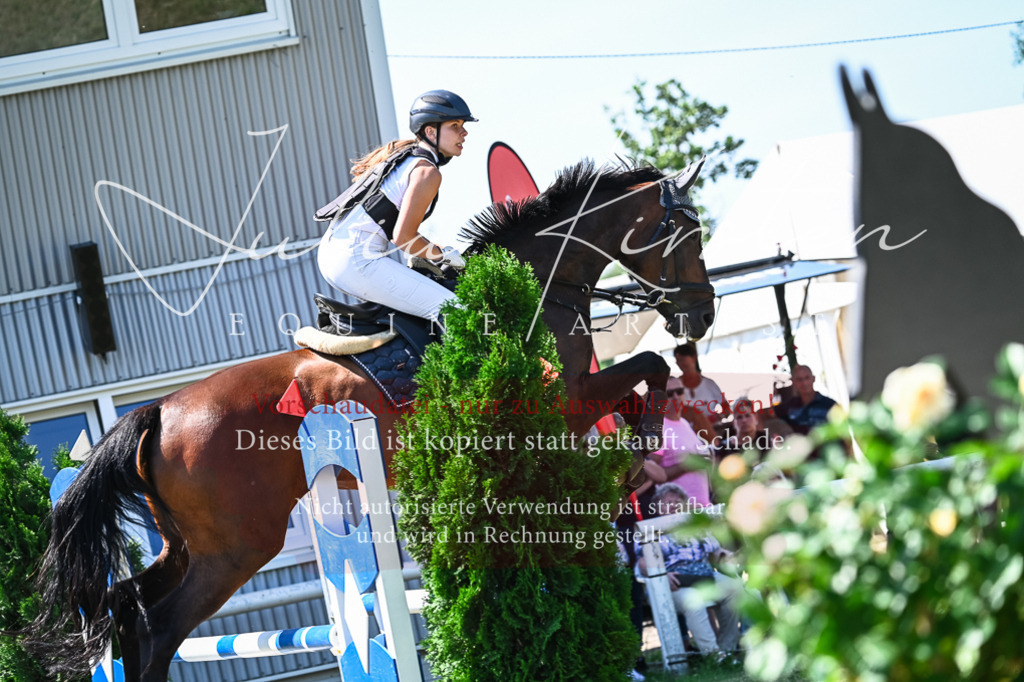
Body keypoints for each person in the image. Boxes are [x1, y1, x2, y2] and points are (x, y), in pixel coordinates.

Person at [316, 89, 476, 326]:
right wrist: (444, 256)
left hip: (335, 255)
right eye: (455, 125)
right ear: (430, 131)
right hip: (356, 261)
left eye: (463, 125)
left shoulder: (408, 158)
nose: (464, 132)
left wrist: (436, 250)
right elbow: (403, 238)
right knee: (457, 311)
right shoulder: (427, 172)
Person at [635, 484, 743, 658]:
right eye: (667, 502)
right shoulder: (650, 530)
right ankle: (713, 655)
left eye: (678, 502)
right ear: (657, 507)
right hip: (673, 583)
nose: (673, 506)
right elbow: (642, 563)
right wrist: (663, 575)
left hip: (703, 576)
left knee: (734, 588)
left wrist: (725, 555)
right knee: (694, 600)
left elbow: (715, 551)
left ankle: (728, 648)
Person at [655, 376, 714, 509]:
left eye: (679, 391)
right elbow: (651, 474)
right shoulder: (659, 427)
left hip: (702, 508)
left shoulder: (684, 423)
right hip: (679, 512)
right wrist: (687, 464)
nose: (675, 397)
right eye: (669, 394)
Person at [673, 343, 730, 423]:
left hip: (711, 429)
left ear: (694, 358)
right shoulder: (674, 386)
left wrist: (718, 417)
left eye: (682, 359)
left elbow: (727, 408)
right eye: (677, 360)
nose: (679, 363)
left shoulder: (710, 384)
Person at [775, 364, 837, 435]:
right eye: (799, 379)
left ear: (813, 379)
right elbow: (769, 414)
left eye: (807, 378)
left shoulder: (829, 405)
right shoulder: (789, 406)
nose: (804, 383)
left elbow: (843, 433)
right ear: (793, 382)